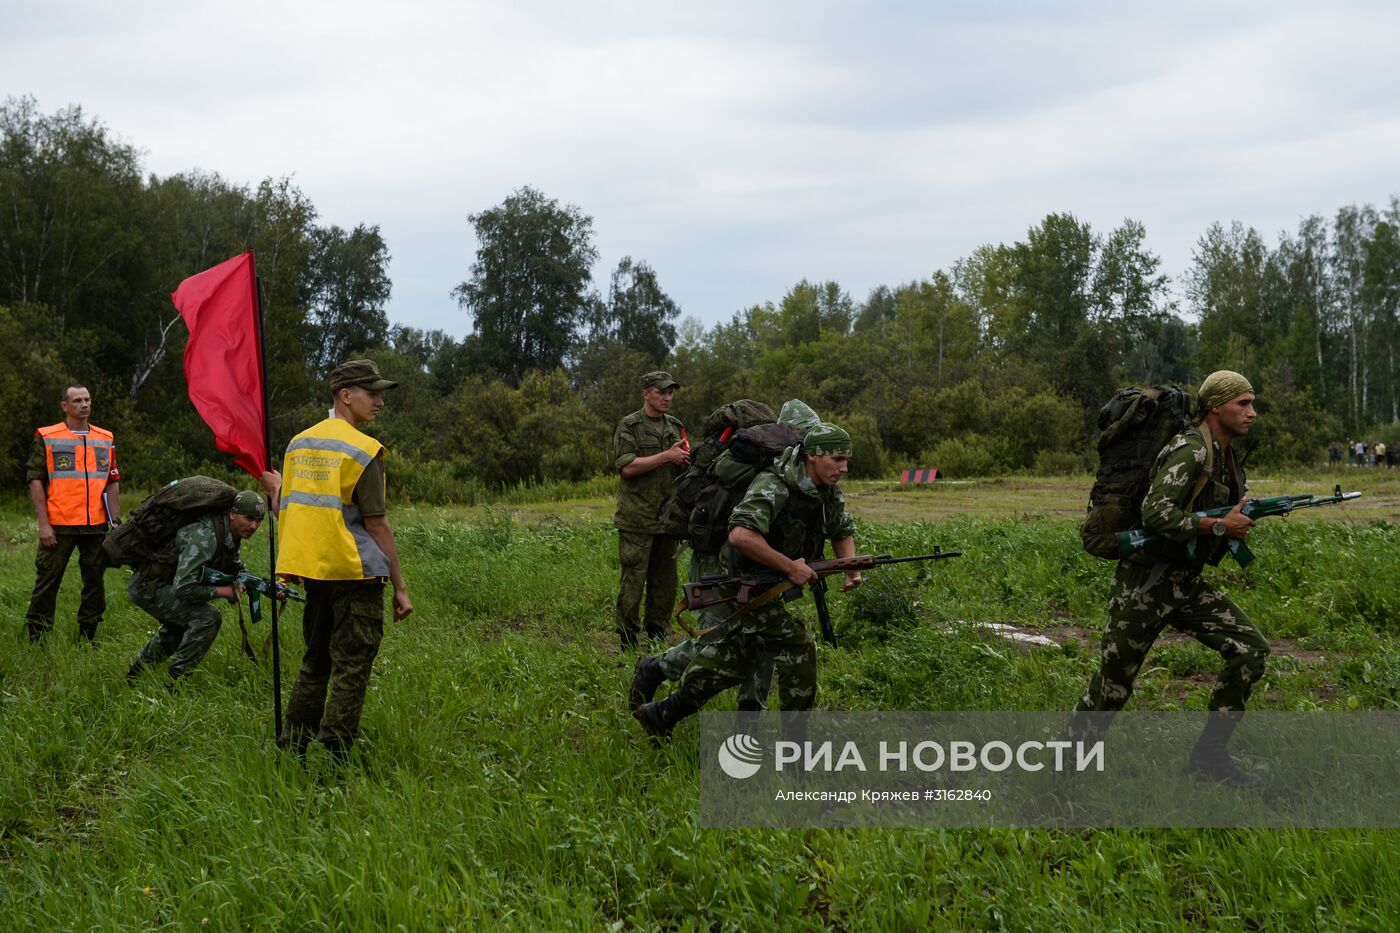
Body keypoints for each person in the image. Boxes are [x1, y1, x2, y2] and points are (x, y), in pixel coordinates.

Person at [1071, 370, 1270, 786]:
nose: (1252, 412)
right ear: (1217, 407)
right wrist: (1219, 528)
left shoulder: (1226, 454)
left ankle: (1209, 759)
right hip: (1145, 586)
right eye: (1243, 404)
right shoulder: (1192, 450)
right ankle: (1063, 769)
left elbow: (1208, 508)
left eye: (1252, 403)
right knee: (1113, 685)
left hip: (1185, 582)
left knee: (1250, 650)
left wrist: (1238, 512)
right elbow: (1155, 513)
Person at [633, 422, 862, 737]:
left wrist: (851, 567)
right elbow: (741, 536)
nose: (844, 468)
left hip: (769, 580)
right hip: (742, 579)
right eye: (836, 459)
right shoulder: (774, 484)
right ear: (811, 456)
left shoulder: (827, 489)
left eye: (847, 460)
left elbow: (840, 527)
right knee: (798, 645)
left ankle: (663, 712)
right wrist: (790, 567)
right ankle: (795, 746)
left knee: (739, 655)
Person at [276, 360, 413, 762]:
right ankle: (333, 758)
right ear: (345, 395)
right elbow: (377, 525)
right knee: (352, 667)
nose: (380, 401)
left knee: (315, 660)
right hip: (356, 573)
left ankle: (293, 745)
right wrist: (400, 586)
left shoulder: (297, 444)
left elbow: (290, 506)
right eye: (373, 393)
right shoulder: (363, 450)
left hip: (315, 570)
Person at [125, 489, 271, 682]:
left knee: (177, 627)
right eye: (249, 518)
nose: (254, 525)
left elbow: (234, 568)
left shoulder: (230, 533)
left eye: (259, 521)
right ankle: (176, 681)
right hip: (149, 585)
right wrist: (224, 592)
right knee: (207, 617)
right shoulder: (207, 536)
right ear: (232, 514)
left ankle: (135, 677)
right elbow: (184, 588)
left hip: (164, 582)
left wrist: (269, 589)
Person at [24, 384, 121, 643]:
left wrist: (115, 521)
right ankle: (37, 638)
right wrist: (43, 525)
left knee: (95, 583)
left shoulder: (105, 437)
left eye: (87, 399)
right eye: (77, 400)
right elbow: (35, 480)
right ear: (64, 406)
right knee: (47, 582)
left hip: (96, 525)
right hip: (59, 525)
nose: (84, 404)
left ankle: (88, 636)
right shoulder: (47, 436)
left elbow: (112, 480)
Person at [613, 371, 689, 649]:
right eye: (661, 392)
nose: (667, 398)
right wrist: (666, 456)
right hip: (637, 518)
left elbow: (684, 464)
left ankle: (658, 633)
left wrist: (683, 462)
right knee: (633, 579)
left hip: (668, 518)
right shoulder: (630, 425)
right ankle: (628, 638)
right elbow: (626, 467)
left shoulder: (675, 426)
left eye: (670, 393)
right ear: (646, 393)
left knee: (665, 582)